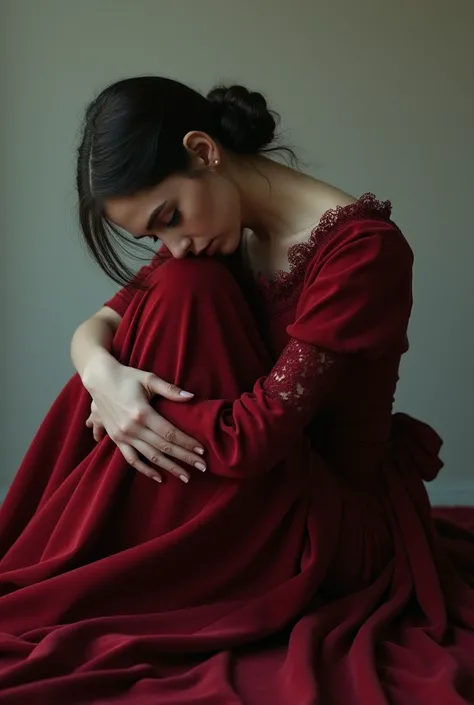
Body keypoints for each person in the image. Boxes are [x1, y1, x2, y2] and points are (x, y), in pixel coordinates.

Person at [0, 76, 472, 705]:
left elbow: (256, 437)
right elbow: (103, 325)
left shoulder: (362, 254)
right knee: (179, 289)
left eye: (169, 219)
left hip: (327, 514)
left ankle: (92, 560)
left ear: (204, 151)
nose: (175, 244)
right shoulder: (220, 236)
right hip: (245, 491)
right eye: (155, 237)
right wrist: (103, 379)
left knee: (182, 288)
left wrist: (135, 412)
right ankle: (88, 556)